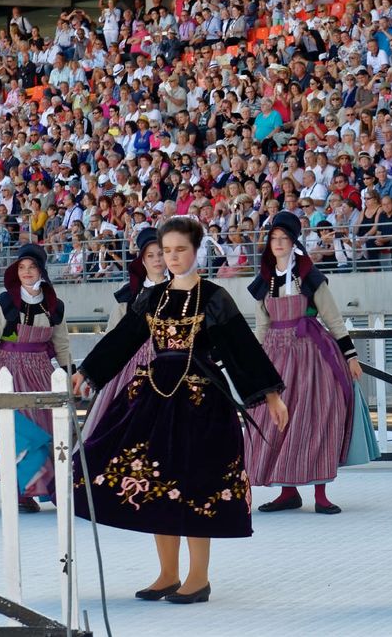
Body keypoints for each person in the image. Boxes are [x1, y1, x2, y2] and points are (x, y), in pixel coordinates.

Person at [72, 216, 288, 603]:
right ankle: (167, 573)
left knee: (196, 483)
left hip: (201, 403)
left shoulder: (214, 297)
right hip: (154, 398)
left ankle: (198, 577)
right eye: (166, 251)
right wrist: (88, 371)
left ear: (196, 251)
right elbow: (123, 339)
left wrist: (270, 395)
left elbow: (240, 346)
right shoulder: (153, 297)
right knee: (156, 480)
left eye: (180, 250)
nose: (172, 257)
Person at [246, 211, 378, 515]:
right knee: (274, 420)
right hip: (276, 356)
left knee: (316, 418)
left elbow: (333, 318)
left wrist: (351, 356)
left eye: (284, 238)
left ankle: (321, 494)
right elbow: (262, 326)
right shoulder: (264, 280)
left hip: (310, 355)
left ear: (294, 242)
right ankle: (287, 492)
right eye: (274, 238)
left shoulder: (309, 276)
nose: (278, 243)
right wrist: (254, 362)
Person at [0, 244, 73, 513]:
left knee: (47, 428)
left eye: (32, 267)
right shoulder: (5, 302)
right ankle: (22, 492)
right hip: (9, 372)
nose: (27, 272)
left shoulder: (54, 306)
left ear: (41, 271)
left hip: (41, 372)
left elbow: (62, 344)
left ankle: (51, 487)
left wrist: (69, 376)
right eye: (22, 267)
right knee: (19, 432)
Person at [82, 228, 168, 440]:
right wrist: (94, 372)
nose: (157, 259)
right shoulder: (129, 295)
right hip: (130, 366)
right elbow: (113, 336)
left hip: (169, 364)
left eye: (161, 253)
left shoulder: (179, 290)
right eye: (150, 255)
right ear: (142, 260)